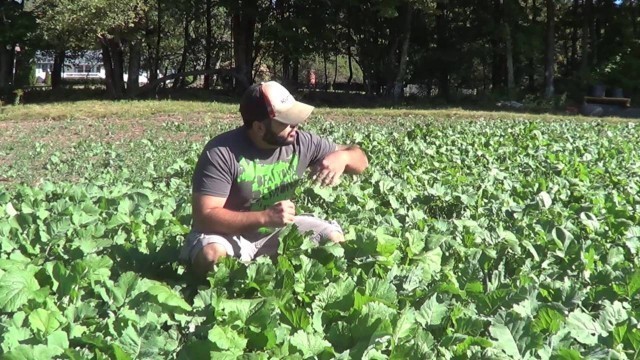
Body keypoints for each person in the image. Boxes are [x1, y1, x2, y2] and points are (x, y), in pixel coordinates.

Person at [179, 81, 369, 277]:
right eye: (286, 122)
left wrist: (344, 157)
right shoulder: (221, 153)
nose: (295, 126)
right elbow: (205, 217)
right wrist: (263, 217)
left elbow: (361, 161)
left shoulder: (301, 142)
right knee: (212, 256)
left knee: (333, 241)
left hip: (277, 232)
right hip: (226, 235)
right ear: (259, 127)